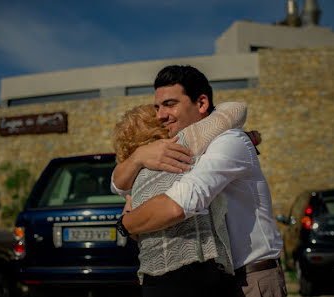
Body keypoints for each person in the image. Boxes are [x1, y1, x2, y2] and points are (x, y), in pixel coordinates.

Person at [112, 65, 286, 297]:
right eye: (157, 107)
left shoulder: (229, 141)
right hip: (215, 280)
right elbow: (117, 186)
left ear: (202, 103)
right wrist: (138, 157)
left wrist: (125, 224)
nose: (160, 115)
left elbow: (179, 204)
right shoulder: (169, 151)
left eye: (170, 104)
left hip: (251, 280)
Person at [112, 101, 248, 297]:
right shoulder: (181, 146)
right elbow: (236, 109)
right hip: (196, 272)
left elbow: (135, 231)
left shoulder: (132, 183)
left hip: (152, 278)